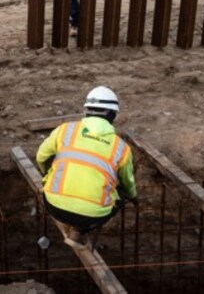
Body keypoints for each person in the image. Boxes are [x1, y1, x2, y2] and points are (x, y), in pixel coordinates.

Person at [36, 86, 137, 249]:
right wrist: (133, 196)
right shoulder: (121, 148)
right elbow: (128, 182)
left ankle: (73, 225)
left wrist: (47, 175)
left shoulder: (65, 130)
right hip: (91, 217)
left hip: (53, 206)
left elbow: (41, 156)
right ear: (113, 115)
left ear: (87, 110)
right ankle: (79, 231)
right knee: (121, 193)